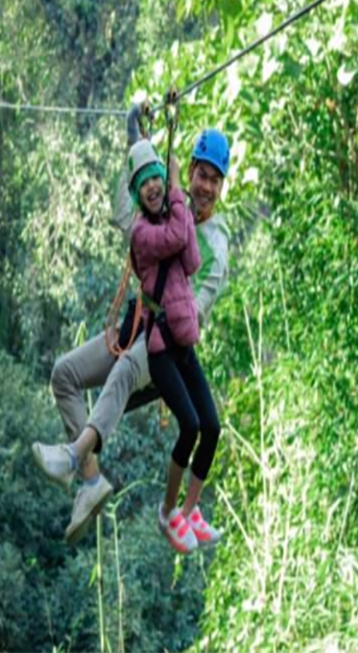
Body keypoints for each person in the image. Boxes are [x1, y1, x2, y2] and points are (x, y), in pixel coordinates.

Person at [32, 104, 231, 545]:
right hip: (132, 329)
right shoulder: (159, 214)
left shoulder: (213, 239)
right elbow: (136, 196)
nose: (206, 187)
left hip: (167, 343)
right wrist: (134, 133)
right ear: (191, 171)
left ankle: (72, 454)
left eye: (215, 181)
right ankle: (89, 482)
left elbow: (196, 307)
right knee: (64, 374)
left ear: (221, 188)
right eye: (201, 175)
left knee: (123, 379)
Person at [129, 141, 222, 554]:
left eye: (158, 182)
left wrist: (180, 205)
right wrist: (176, 193)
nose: (154, 189)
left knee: (212, 428)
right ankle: (168, 511)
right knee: (189, 426)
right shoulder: (143, 231)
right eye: (145, 184)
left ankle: (188, 508)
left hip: (184, 341)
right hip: (160, 345)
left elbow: (193, 261)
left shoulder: (179, 218)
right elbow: (169, 240)